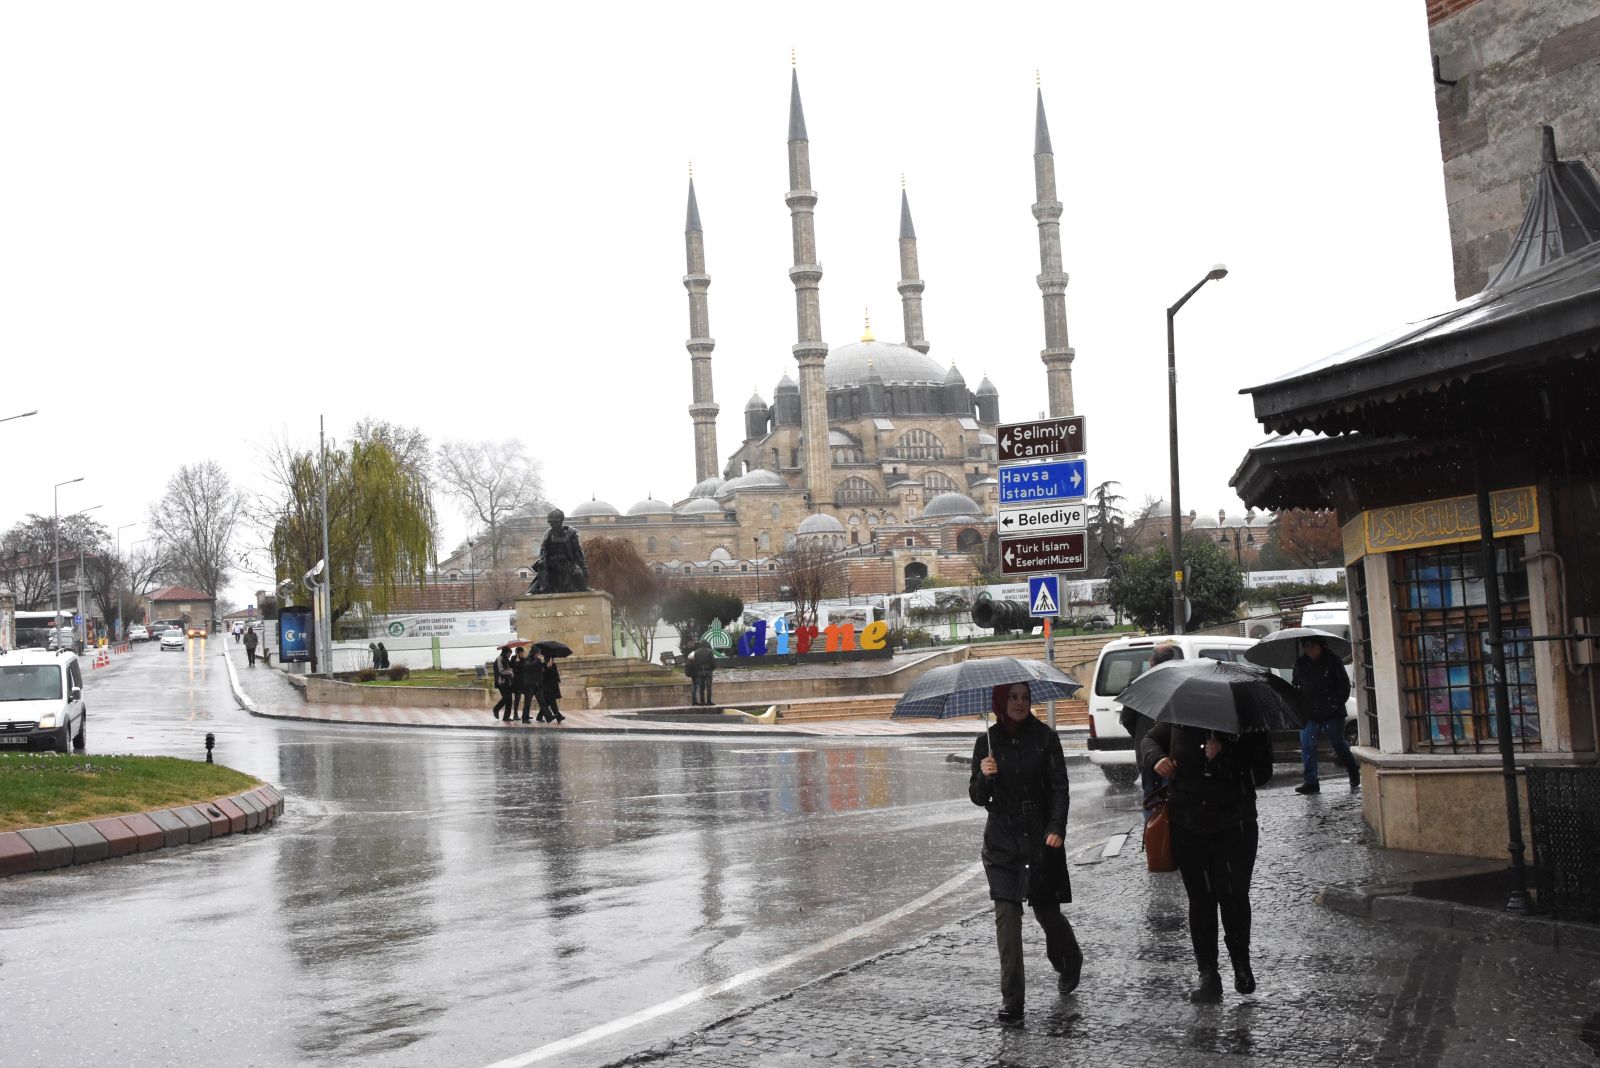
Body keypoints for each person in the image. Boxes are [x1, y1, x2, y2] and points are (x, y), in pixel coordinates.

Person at [969, 682, 1081, 1025]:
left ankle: (1070, 959)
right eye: (1013, 697)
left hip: (1040, 840)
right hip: (1002, 842)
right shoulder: (985, 743)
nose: (1020, 703)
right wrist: (985, 777)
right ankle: (1012, 1000)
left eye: (1025, 697)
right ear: (1000, 702)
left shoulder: (1046, 738)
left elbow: (1060, 787)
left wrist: (1056, 828)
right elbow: (977, 796)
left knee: (1047, 913)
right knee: (1007, 917)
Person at [1141, 718, 1273, 1002]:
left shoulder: (1246, 721)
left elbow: (1262, 772)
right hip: (1189, 825)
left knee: (1233, 896)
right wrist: (1158, 758)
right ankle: (1208, 974)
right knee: (1201, 900)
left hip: (1235, 824)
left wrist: (1223, 757)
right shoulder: (1181, 715)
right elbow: (1149, 740)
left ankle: (1241, 963)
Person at [1121, 642, 1181, 819]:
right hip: (1172, 751)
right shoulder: (1179, 681)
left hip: (1146, 752)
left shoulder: (1138, 682)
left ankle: (1154, 836)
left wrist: (1141, 736)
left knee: (1151, 797)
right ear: (1171, 659)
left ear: (1150, 661)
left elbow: (1127, 718)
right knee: (1173, 796)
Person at [1293, 636, 1358, 794]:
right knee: (1308, 745)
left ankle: (1353, 771)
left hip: (1332, 713)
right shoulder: (1301, 664)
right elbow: (1296, 685)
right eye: (1306, 646)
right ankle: (1311, 781)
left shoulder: (1333, 661)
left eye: (1312, 645)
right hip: (1309, 713)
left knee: (1338, 744)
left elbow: (1343, 686)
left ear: (1321, 646)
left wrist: (1333, 703)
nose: (1309, 649)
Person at [521, 648, 547, 723]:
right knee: (527, 702)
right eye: (539, 653)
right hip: (529, 685)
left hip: (536, 684)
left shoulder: (536, 660)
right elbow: (529, 666)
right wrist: (538, 660)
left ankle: (549, 717)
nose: (540, 655)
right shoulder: (528, 659)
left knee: (542, 701)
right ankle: (525, 718)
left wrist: (543, 664)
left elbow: (540, 670)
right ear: (535, 653)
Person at [491, 646, 517, 720]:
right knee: (506, 698)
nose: (509, 655)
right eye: (509, 653)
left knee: (509, 700)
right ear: (505, 652)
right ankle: (496, 709)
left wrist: (510, 669)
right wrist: (510, 672)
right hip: (501, 682)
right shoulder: (499, 659)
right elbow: (501, 671)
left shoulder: (506, 660)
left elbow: (507, 668)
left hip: (507, 682)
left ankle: (506, 717)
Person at [690, 641, 717, 706]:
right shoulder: (710, 651)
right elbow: (713, 661)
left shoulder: (696, 652)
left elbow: (694, 663)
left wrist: (697, 670)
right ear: (706, 644)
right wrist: (712, 669)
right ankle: (709, 701)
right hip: (708, 671)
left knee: (701, 687)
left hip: (699, 671)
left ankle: (702, 701)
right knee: (709, 687)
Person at [542, 655, 565, 724]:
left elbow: (556, 673)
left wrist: (558, 679)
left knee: (547, 702)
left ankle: (539, 716)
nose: (551, 660)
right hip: (547, 687)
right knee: (552, 701)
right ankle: (558, 717)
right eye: (550, 659)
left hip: (553, 686)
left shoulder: (554, 665)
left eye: (552, 659)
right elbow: (542, 675)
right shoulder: (543, 665)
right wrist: (547, 667)